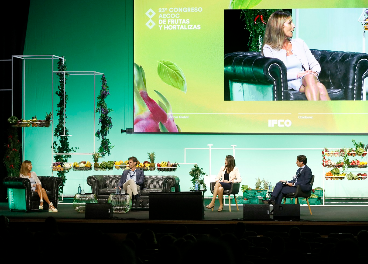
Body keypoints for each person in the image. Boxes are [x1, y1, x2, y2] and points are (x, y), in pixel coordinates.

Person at [262, 10, 330, 101]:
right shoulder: (268, 48)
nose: (293, 26)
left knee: (310, 78)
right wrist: (298, 74)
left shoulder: (299, 43)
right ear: (279, 26)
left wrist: (314, 73)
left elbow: (314, 64)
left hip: (306, 80)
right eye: (290, 23)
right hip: (287, 82)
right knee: (320, 87)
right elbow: (276, 73)